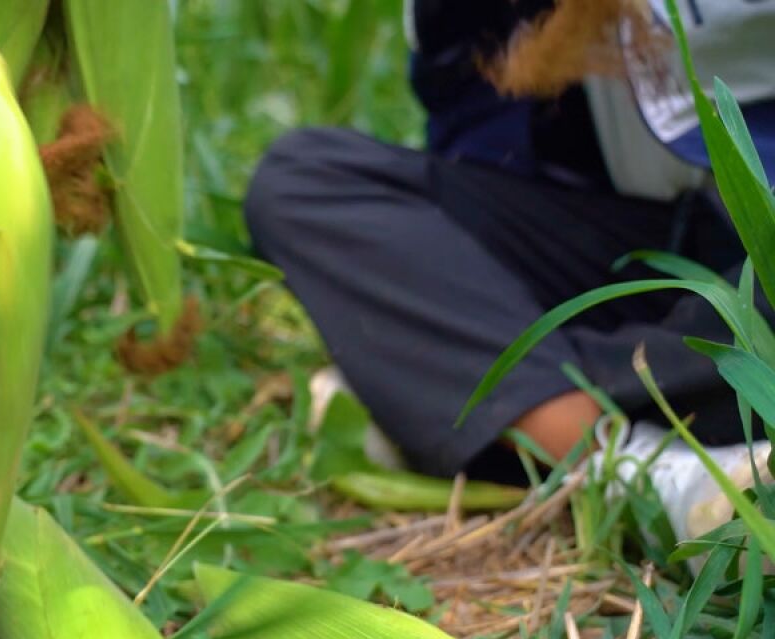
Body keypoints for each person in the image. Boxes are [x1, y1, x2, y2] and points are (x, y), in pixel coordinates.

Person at [244, 0, 775, 542]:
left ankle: (473, 405)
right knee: (305, 179)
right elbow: (481, 141)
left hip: (760, 249)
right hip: (630, 247)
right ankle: (626, 467)